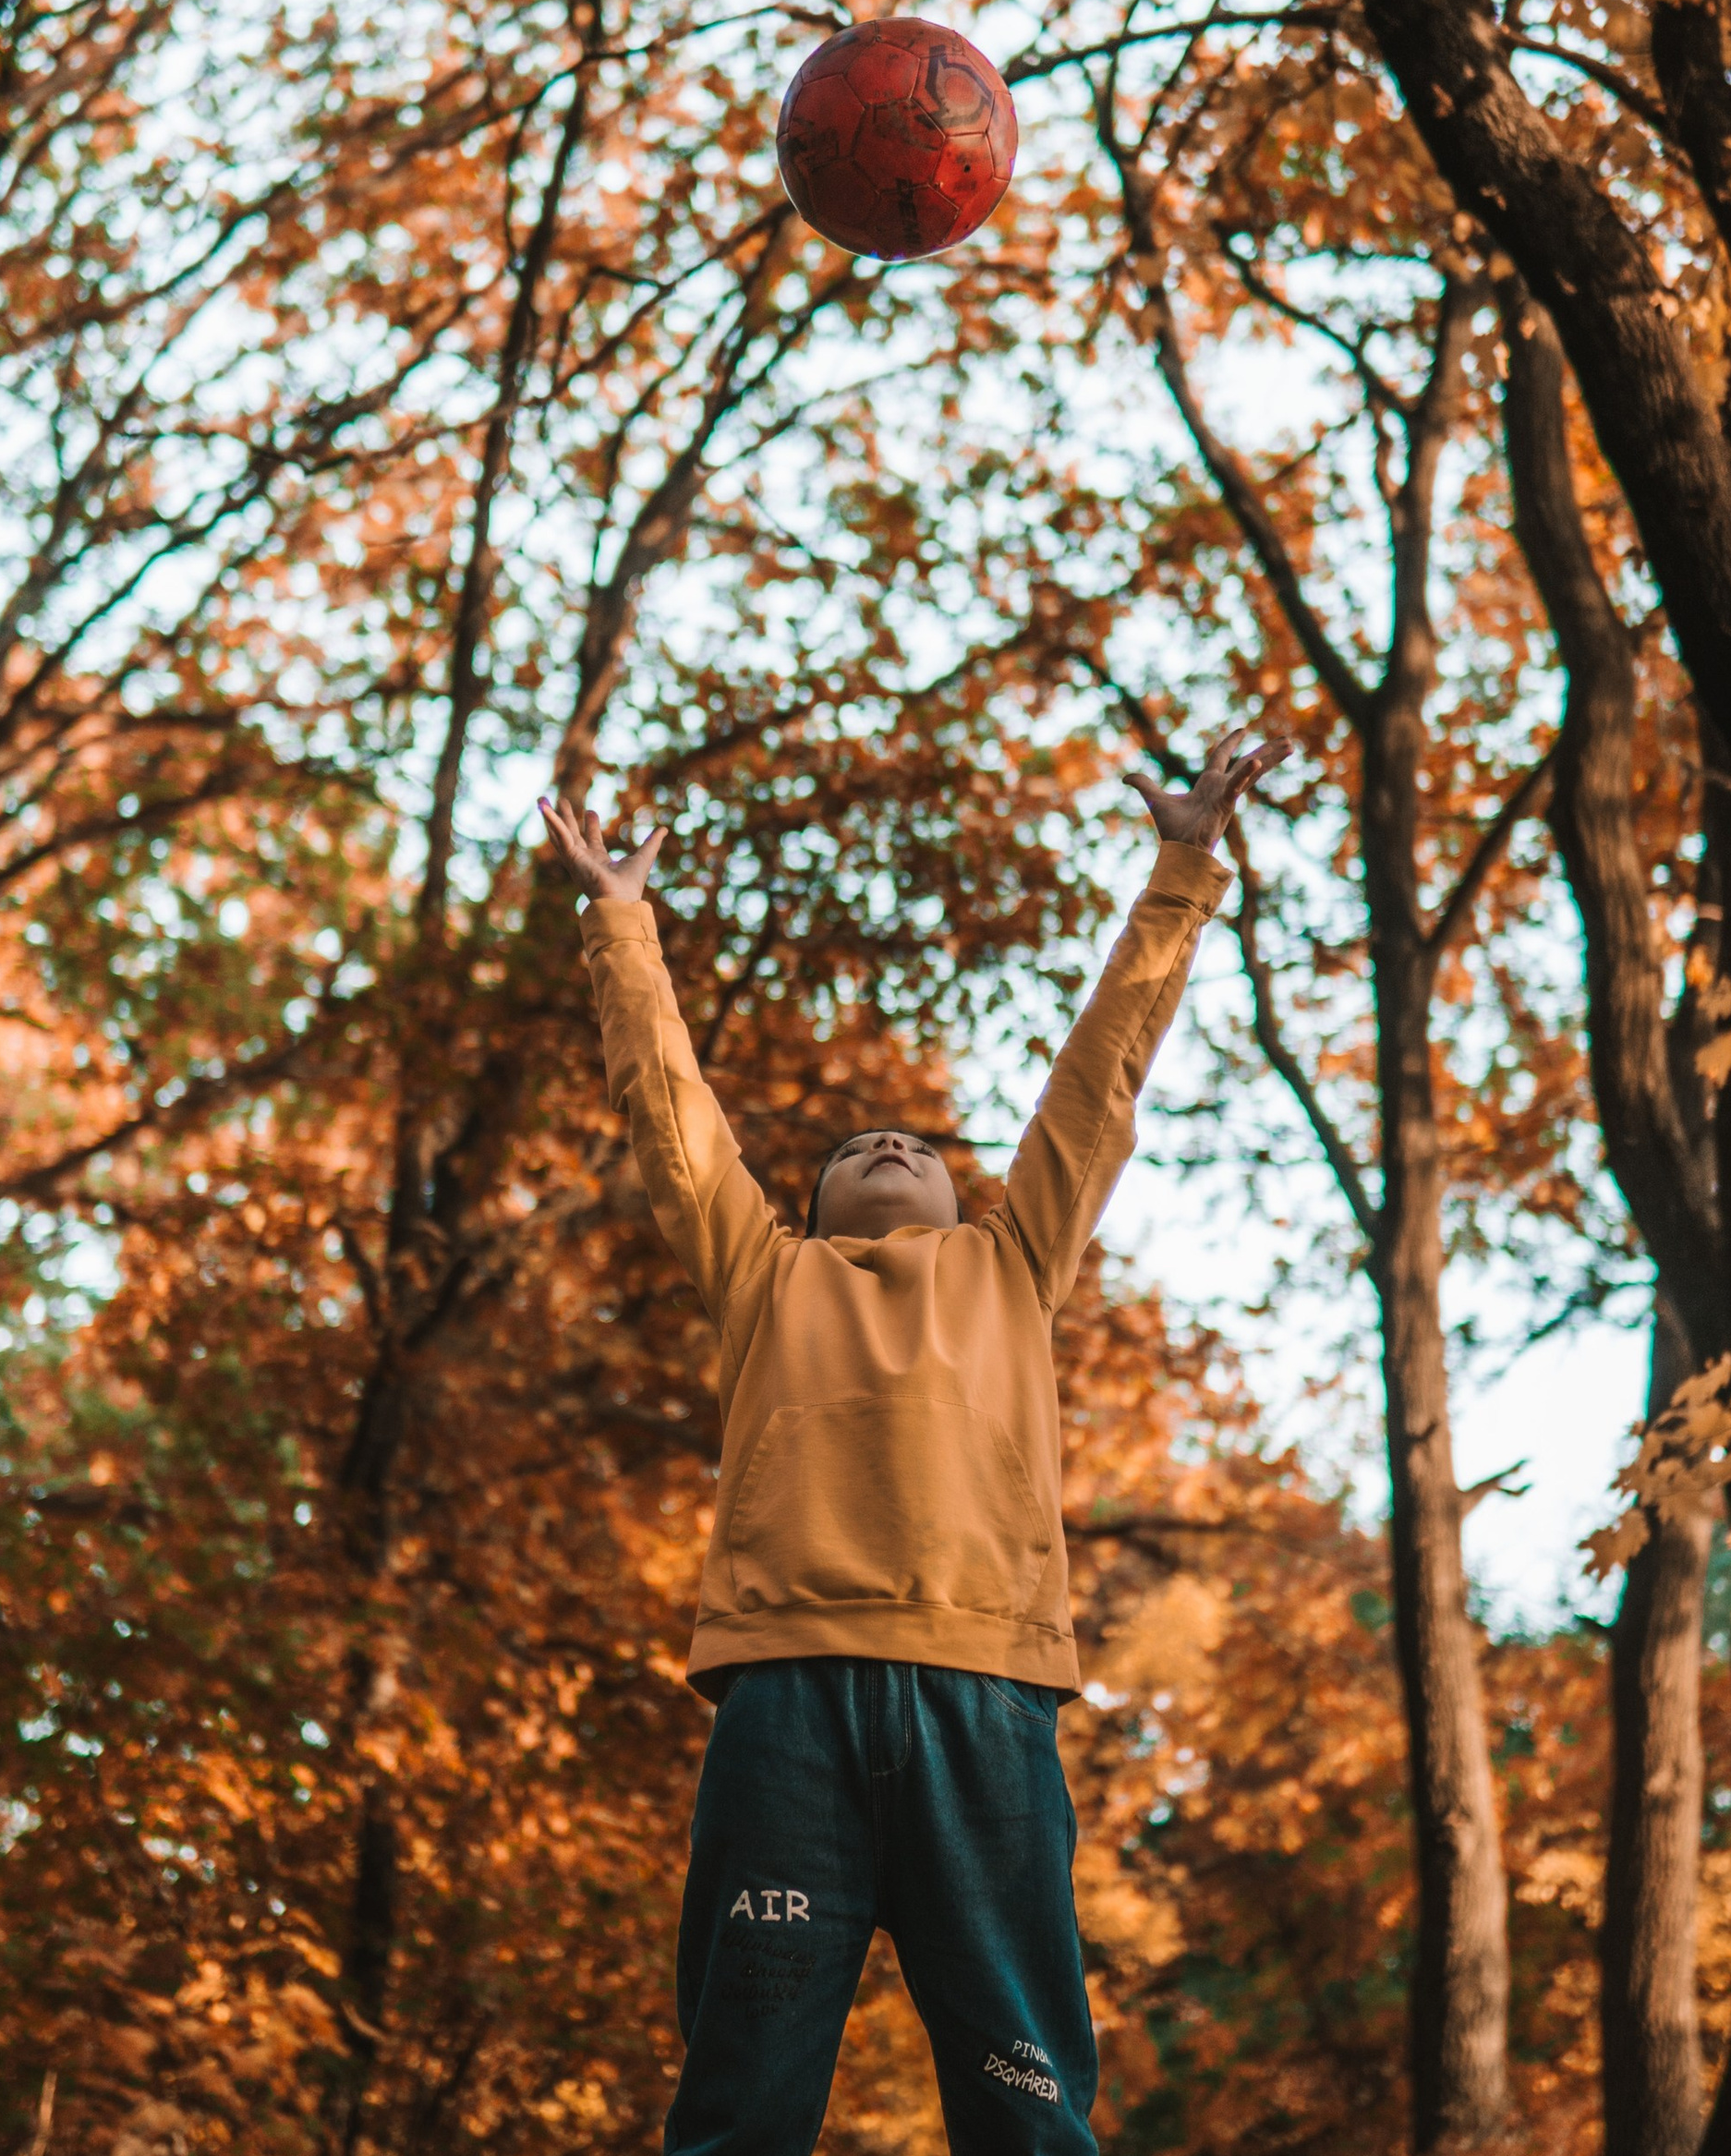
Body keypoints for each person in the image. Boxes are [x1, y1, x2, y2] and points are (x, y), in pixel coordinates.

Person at [537, 726, 1287, 2156]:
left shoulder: (1015, 1264)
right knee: (741, 2096)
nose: (890, 1145)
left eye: (920, 1146)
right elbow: (673, 1121)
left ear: (965, 1199)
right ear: (808, 1210)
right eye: (854, 1149)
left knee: (1027, 2102)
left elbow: (1098, 1083)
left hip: (985, 1700)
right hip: (788, 1705)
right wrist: (620, 923)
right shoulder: (766, 1279)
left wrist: (1185, 869)